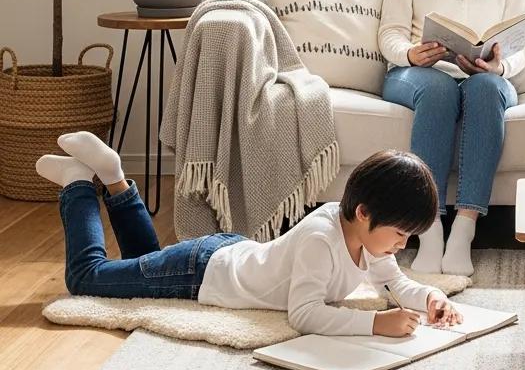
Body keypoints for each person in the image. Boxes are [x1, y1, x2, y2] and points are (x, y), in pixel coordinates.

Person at [37, 135, 462, 335]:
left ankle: (113, 177)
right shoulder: (321, 239)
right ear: (366, 212)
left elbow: (396, 282)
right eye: (401, 233)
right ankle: (78, 183)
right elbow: (304, 314)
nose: (402, 245)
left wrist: (429, 299)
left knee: (141, 264)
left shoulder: (368, 238)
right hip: (201, 273)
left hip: (226, 254)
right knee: (88, 278)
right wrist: (375, 324)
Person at [378, 0, 525, 277]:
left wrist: (499, 66)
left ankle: (464, 228)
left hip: (485, 78)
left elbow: (522, 45)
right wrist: (412, 54)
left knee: (482, 90)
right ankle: (428, 230)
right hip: (417, 75)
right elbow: (389, 34)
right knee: (441, 89)